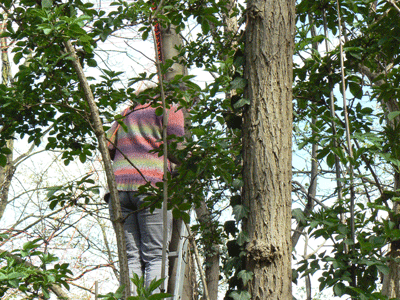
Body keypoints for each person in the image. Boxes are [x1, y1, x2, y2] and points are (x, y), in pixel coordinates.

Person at [105, 97, 185, 294]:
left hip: (118, 191)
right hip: (151, 188)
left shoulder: (125, 113)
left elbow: (107, 146)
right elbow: (176, 150)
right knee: (156, 256)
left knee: (130, 257)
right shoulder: (169, 109)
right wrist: (198, 161)